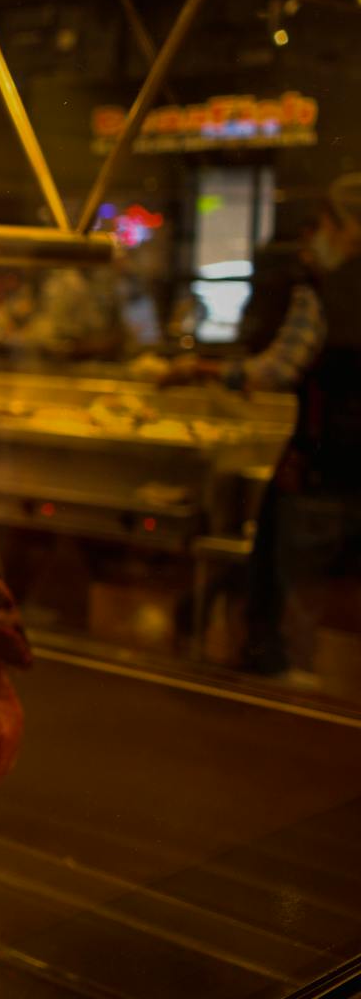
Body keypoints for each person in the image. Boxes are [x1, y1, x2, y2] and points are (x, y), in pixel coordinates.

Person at [171, 174, 361, 674]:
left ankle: (296, 702)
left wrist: (199, 370)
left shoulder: (322, 294)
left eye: (322, 224)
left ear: (347, 229)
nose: (314, 238)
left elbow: (276, 370)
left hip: (321, 472)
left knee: (297, 600)